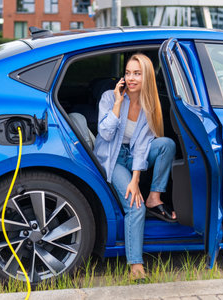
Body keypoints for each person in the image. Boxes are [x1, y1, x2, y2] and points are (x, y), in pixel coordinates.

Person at [93, 53, 176, 280]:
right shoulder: (109, 98)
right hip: (113, 157)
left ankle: (155, 197)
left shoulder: (150, 105)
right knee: (135, 206)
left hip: (133, 156)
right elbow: (106, 133)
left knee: (166, 145)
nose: (131, 78)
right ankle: (136, 266)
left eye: (137, 74)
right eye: (128, 73)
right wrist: (118, 104)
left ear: (146, 76)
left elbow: (143, 146)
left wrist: (136, 179)